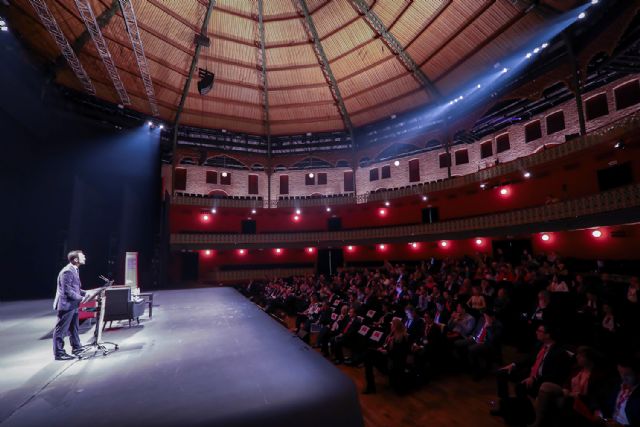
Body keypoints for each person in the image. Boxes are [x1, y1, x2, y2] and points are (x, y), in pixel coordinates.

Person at [53, 250, 87, 360]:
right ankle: (59, 353)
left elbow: (75, 288)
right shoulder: (67, 271)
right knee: (61, 330)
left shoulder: (74, 270)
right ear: (76, 259)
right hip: (66, 305)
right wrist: (81, 298)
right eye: (82, 257)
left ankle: (76, 347)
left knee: (74, 328)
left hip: (73, 304)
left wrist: (87, 292)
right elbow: (67, 291)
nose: (85, 258)